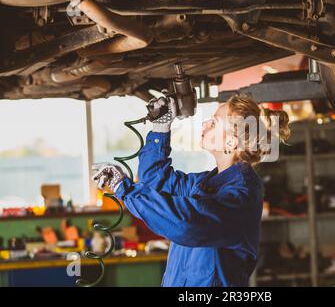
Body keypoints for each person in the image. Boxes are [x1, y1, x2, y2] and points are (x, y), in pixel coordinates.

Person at [92, 95, 290, 287]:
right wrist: (161, 128)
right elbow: (155, 181)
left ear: (231, 143)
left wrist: (123, 189)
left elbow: (187, 223)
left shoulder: (241, 195)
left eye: (213, 123)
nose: (205, 124)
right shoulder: (205, 183)